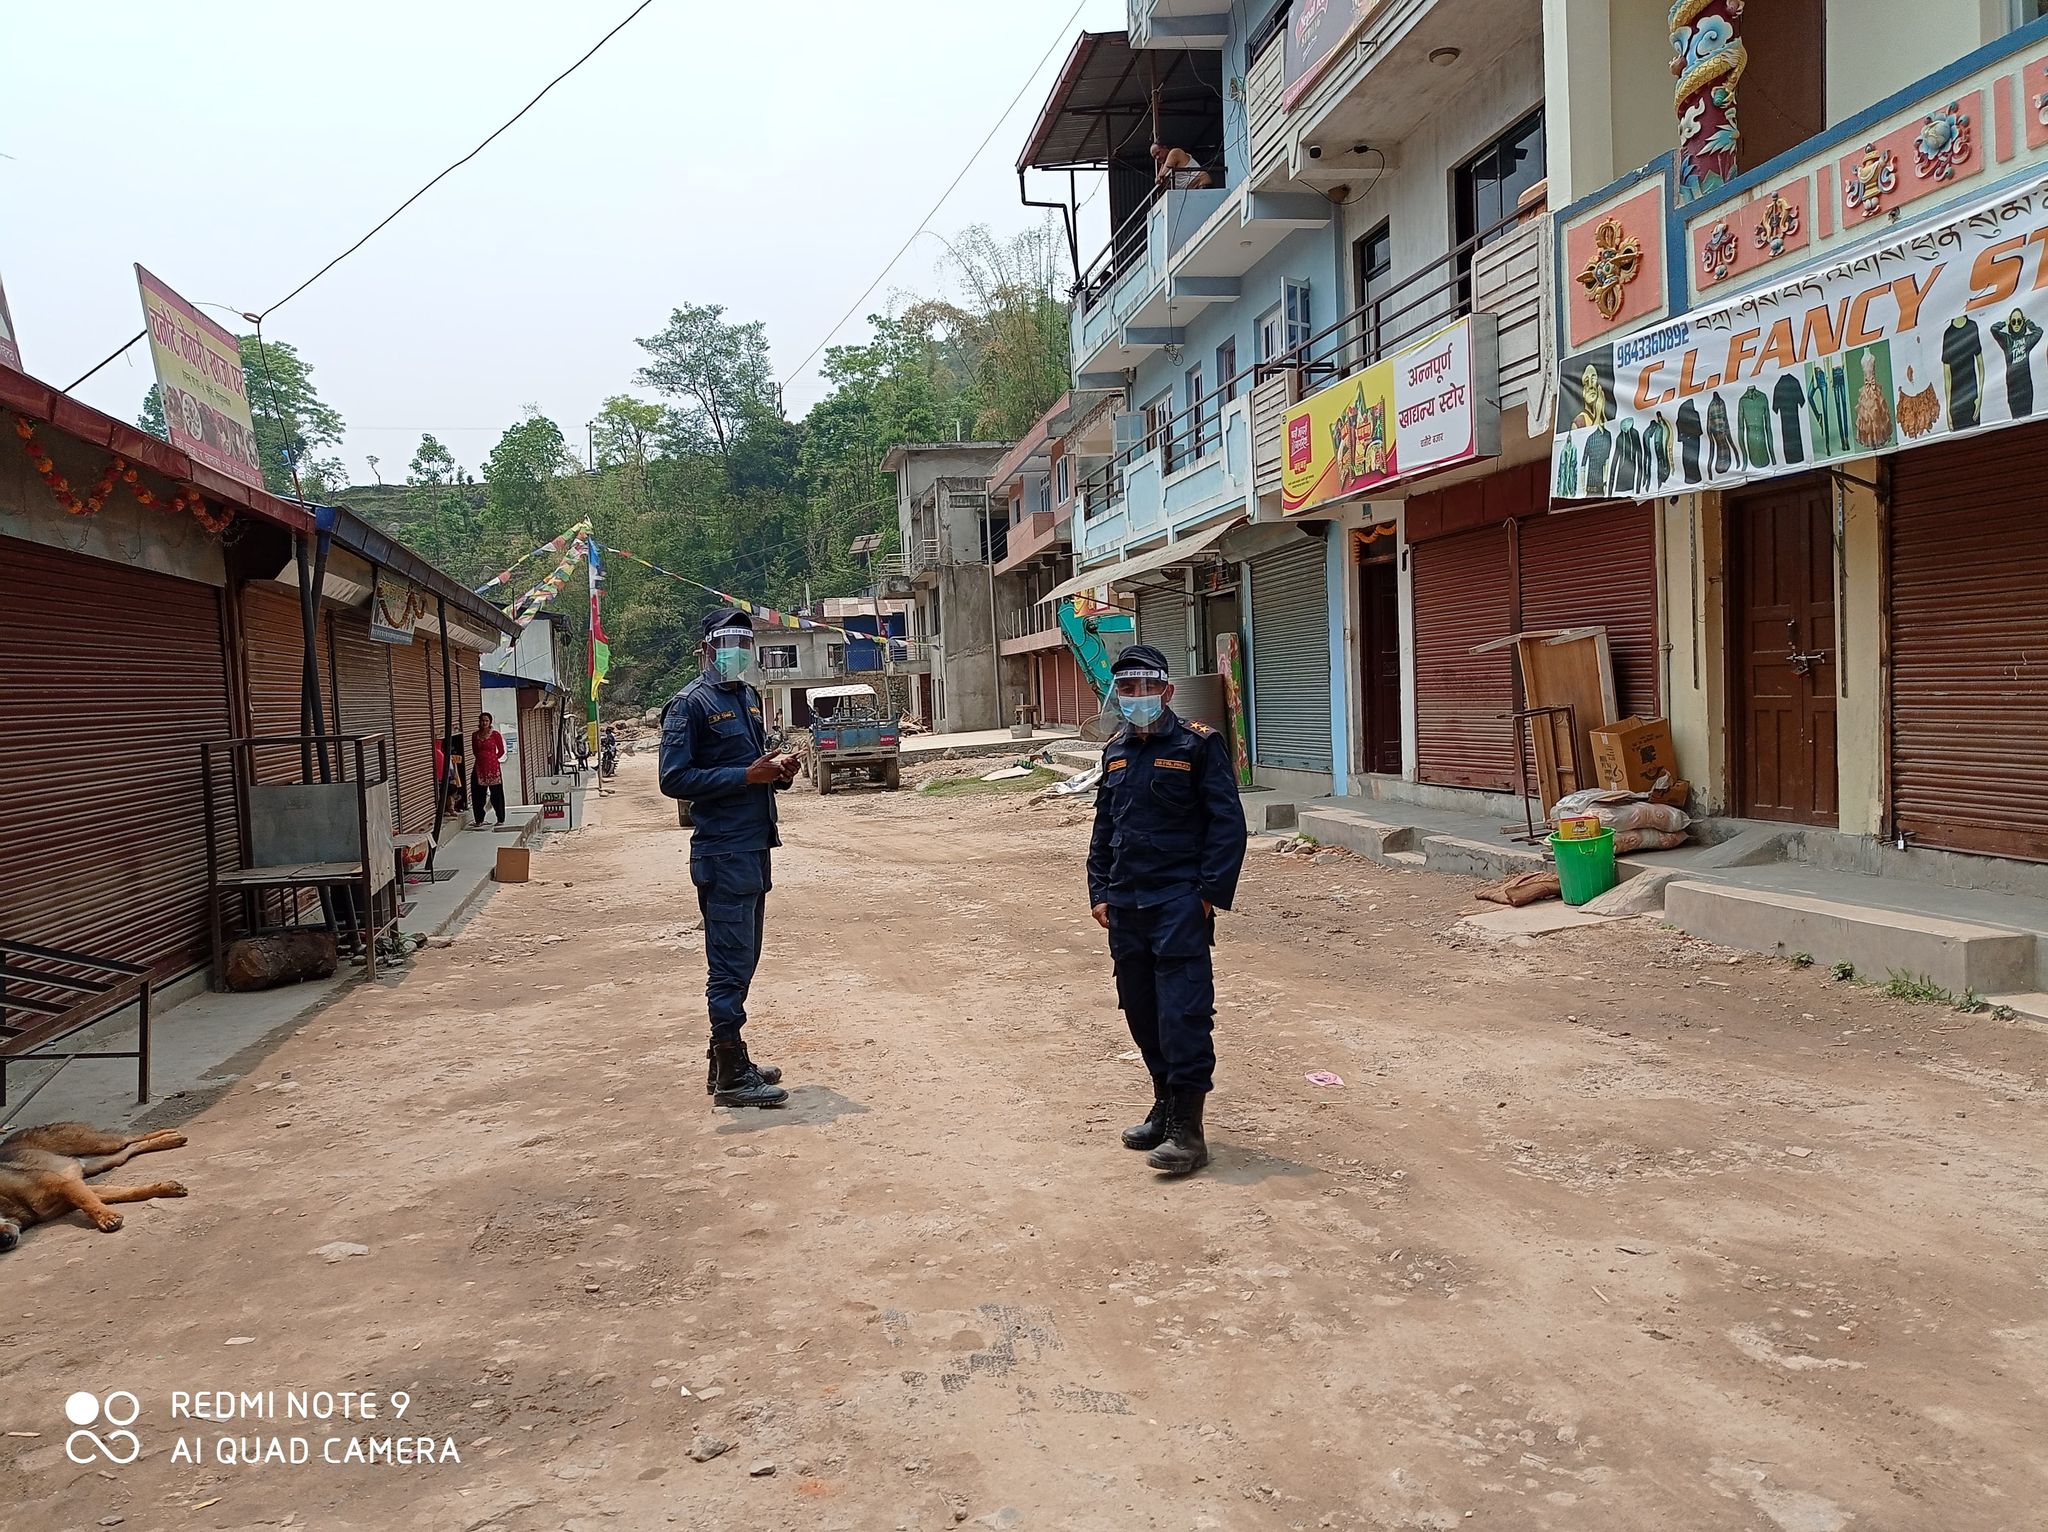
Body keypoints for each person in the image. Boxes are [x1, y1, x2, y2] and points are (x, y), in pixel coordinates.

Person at [1087, 645, 1248, 1177]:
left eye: (1145, 687)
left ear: (1167, 691)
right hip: (1126, 903)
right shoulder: (1114, 752)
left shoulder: (1199, 745)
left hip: (1178, 901)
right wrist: (1099, 891)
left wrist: (1205, 895)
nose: (1136, 698)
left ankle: (1189, 1129)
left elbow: (1227, 825)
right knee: (1142, 1012)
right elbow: (1105, 828)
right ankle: (1163, 1106)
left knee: (1182, 1013)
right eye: (1126, 690)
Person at [659, 610, 803, 1108]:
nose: (739, 650)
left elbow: (754, 764)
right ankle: (732, 1074)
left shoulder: (745, 697)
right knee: (729, 963)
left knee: (745, 959)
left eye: (746, 640)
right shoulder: (688, 706)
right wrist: (745, 777)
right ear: (705, 648)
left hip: (753, 846)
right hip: (722, 851)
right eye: (729, 641)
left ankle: (723, 1059)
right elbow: (673, 780)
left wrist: (778, 770)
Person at [471, 712, 506, 827]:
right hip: (479, 768)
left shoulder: (495, 735)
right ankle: (479, 820)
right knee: (478, 795)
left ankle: (500, 819)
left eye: (486, 720)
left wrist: (492, 759)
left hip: (493, 768)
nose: (484, 723)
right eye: (482, 720)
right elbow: (475, 752)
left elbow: (501, 751)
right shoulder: (475, 735)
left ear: (490, 722)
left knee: (496, 794)